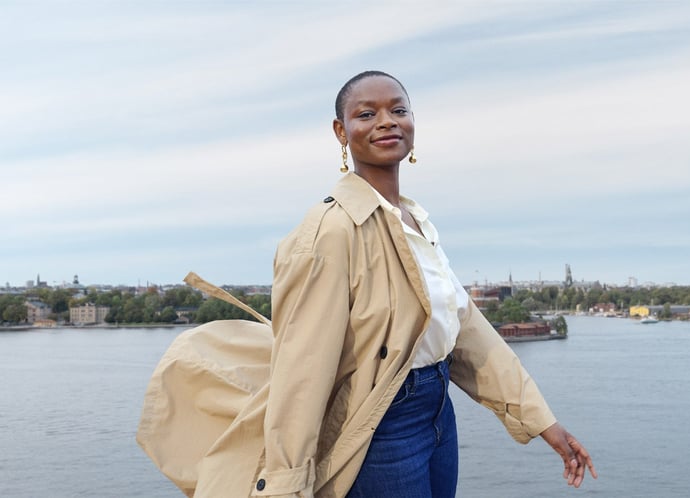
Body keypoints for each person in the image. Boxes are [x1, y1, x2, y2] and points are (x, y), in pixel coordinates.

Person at [136, 70, 596, 498]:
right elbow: (301, 371)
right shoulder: (329, 232)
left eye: (398, 110)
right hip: (380, 427)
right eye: (366, 114)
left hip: (438, 415)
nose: (386, 122)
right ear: (341, 132)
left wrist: (543, 423)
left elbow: (465, 331)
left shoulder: (415, 221)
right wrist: (287, 483)